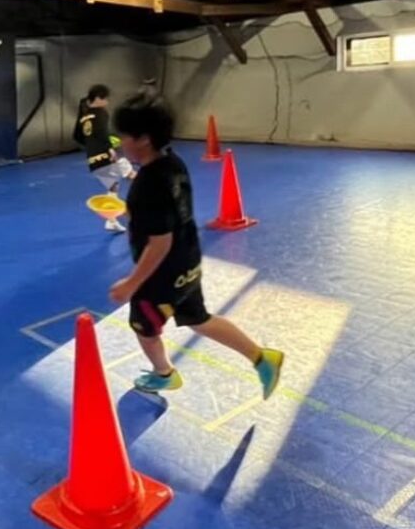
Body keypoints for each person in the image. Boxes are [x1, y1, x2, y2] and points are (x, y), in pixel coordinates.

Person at [108, 93, 284, 398]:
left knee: (143, 327)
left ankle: (164, 374)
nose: (121, 143)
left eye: (124, 137)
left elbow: (160, 243)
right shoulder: (173, 163)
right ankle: (261, 357)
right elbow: (168, 214)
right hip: (187, 261)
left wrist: (131, 284)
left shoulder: (147, 184)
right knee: (198, 319)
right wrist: (133, 213)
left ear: (144, 139)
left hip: (159, 276)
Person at [74, 84, 134, 234]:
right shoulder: (101, 113)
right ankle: (146, 207)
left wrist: (91, 146)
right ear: (98, 99)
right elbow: (102, 132)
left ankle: (111, 220)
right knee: (130, 174)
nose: (107, 102)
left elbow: (77, 136)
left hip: (92, 160)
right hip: (104, 155)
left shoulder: (83, 116)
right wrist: (109, 148)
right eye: (105, 99)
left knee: (113, 185)